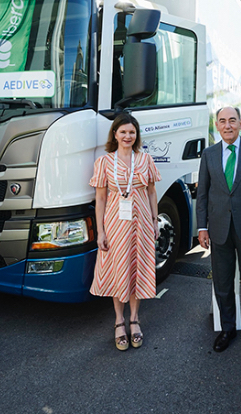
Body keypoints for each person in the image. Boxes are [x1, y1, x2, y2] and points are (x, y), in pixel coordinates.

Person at [197, 106, 241, 355]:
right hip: (218, 229)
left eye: (232, 120)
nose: (227, 125)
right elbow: (203, 194)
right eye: (222, 121)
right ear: (216, 125)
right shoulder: (209, 154)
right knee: (223, 282)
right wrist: (202, 227)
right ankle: (227, 328)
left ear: (240, 123)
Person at [89, 112, 161, 351]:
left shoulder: (145, 160)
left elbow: (151, 192)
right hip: (115, 225)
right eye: (123, 132)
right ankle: (119, 320)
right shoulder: (104, 162)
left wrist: (154, 221)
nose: (128, 136)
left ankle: (135, 319)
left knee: (136, 269)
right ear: (115, 134)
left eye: (132, 132)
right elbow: (100, 199)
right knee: (118, 269)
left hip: (140, 224)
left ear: (136, 135)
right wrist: (100, 231)